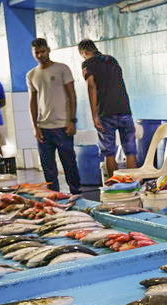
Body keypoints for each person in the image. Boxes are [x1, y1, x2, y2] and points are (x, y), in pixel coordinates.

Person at [26, 38, 81, 194]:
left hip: (63, 126)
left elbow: (72, 95)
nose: (40, 55)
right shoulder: (31, 74)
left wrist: (72, 120)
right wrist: (35, 127)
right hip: (43, 128)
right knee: (48, 168)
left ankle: (76, 193)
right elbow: (32, 102)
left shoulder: (62, 69)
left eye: (42, 51)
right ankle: (54, 197)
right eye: (36, 52)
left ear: (48, 50)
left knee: (69, 164)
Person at [77, 39, 137, 176]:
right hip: (124, 110)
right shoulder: (112, 59)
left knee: (109, 153)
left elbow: (91, 86)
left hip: (106, 113)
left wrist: (94, 115)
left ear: (84, 53)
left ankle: (115, 186)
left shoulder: (87, 64)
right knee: (130, 151)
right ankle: (133, 184)